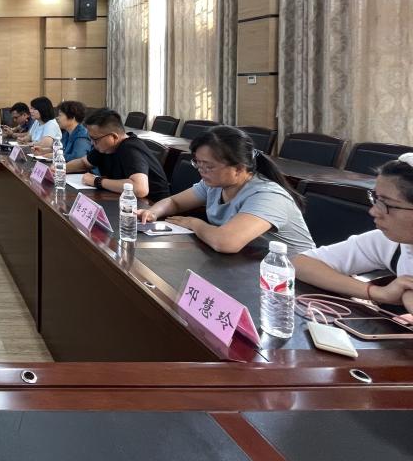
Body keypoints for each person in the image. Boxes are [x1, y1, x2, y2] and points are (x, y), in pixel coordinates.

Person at [136, 126, 313, 254]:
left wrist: (194, 223)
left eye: (209, 166)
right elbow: (174, 202)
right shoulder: (214, 184)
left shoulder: (268, 196)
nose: (201, 171)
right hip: (249, 265)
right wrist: (152, 212)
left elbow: (226, 242)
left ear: (239, 168)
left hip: (293, 279)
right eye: (198, 163)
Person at [295, 154, 413, 314]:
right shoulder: (391, 243)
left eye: (387, 204)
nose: (373, 211)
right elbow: (301, 264)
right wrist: (378, 293)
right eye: (376, 199)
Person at [66, 108, 170, 200]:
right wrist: (60, 169)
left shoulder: (130, 148)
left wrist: (97, 181)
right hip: (123, 200)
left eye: (95, 139)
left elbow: (140, 188)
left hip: (151, 206)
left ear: (114, 137)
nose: (92, 143)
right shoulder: (105, 147)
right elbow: (84, 163)